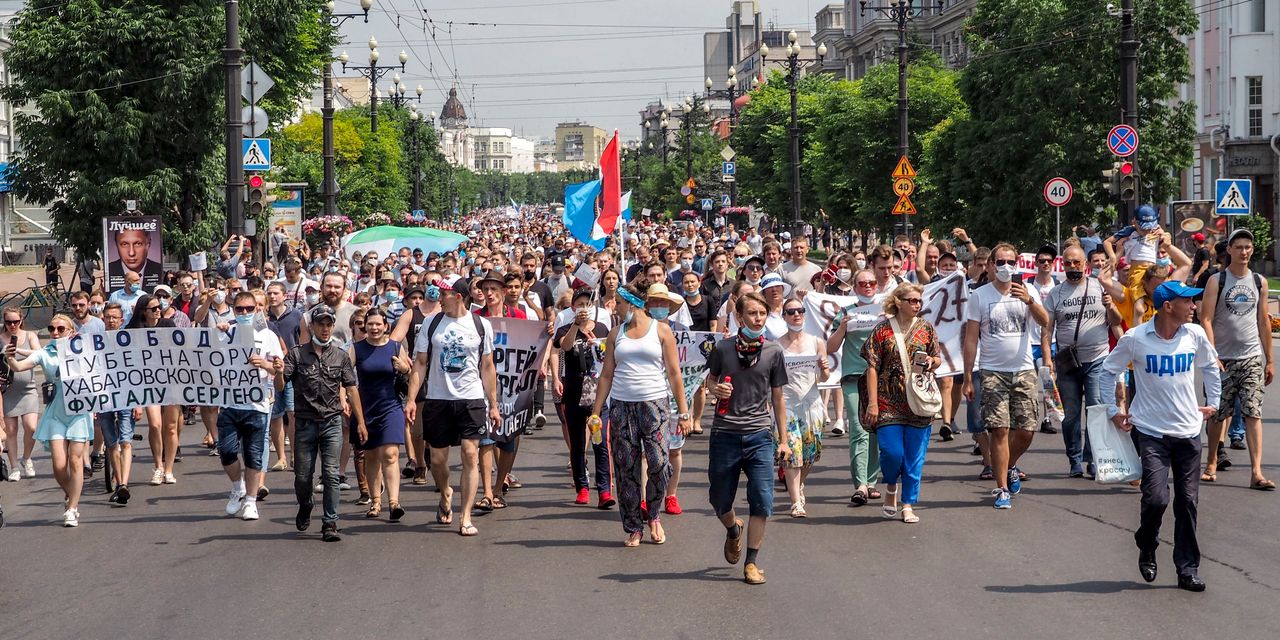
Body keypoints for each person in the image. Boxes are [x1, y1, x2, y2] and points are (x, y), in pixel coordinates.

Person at [1100, 281, 1221, 592]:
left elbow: (1210, 366)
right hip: (1151, 431)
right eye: (1188, 302)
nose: (1194, 307)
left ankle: (1187, 568)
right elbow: (1108, 370)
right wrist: (1112, 409)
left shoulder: (1194, 335)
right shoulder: (1136, 338)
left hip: (1188, 432)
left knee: (1188, 502)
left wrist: (1215, 403)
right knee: (1156, 499)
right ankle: (1147, 543)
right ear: (1169, 306)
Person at [589, 284, 691, 547]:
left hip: (654, 404)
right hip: (622, 406)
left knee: (658, 463)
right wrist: (596, 411)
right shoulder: (615, 334)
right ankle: (634, 526)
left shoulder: (661, 330)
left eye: (619, 304)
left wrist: (684, 411)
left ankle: (654, 513)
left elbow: (674, 373)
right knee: (626, 468)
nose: (615, 308)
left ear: (632, 304)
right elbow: (607, 375)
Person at [404, 275, 502, 538]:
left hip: (471, 399)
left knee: (471, 454)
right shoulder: (432, 323)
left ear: (458, 297)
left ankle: (465, 516)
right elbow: (420, 363)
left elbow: (488, 366)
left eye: (443, 294)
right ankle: (445, 490)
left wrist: (493, 404)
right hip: (438, 399)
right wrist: (411, 399)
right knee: (437, 459)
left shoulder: (481, 325)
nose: (438, 298)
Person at [704, 292, 788, 584]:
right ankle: (732, 529)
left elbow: (778, 397)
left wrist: (784, 439)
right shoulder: (724, 349)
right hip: (725, 433)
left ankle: (751, 563)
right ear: (739, 317)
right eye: (752, 314)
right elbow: (710, 380)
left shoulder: (774, 351)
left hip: (759, 434)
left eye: (762, 314)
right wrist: (715, 390)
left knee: (762, 501)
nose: (758, 319)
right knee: (718, 500)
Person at [961, 243, 1049, 509]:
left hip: (1023, 369)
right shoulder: (979, 295)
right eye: (1000, 262)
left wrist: (1029, 301)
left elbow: (1045, 321)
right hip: (992, 371)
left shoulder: (1028, 290)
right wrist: (967, 376)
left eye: (1011, 261)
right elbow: (971, 338)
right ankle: (1001, 489)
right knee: (999, 430)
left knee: (1026, 429)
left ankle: (1009, 464)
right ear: (990, 265)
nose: (1006, 267)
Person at [1199, 228, 1274, 490]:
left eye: (1247, 247)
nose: (1244, 252)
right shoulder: (1216, 281)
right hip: (1223, 359)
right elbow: (1205, 319)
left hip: (1251, 357)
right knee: (1218, 414)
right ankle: (1210, 462)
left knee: (1253, 413)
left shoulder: (1259, 282)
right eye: (1239, 247)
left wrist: (1270, 359)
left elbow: (1263, 320)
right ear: (1228, 250)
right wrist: (1212, 355)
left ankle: (1256, 472)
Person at [283, 303, 365, 542]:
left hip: (331, 422)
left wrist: (360, 422)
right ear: (313, 326)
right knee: (303, 476)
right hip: (305, 424)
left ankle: (330, 522)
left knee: (330, 475)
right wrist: (276, 370)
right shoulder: (297, 354)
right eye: (321, 324)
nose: (326, 329)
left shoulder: (340, 356)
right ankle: (306, 504)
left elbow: (351, 388)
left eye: (329, 324)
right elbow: (281, 384)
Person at [861, 284, 940, 524]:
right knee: (892, 452)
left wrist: (930, 361)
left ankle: (907, 504)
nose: (917, 304)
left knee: (914, 457)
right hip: (888, 402)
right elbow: (872, 367)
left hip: (918, 402)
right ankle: (891, 485)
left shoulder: (926, 328)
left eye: (919, 301)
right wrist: (872, 404)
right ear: (898, 302)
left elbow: (937, 358)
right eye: (912, 300)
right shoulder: (882, 331)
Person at [1043, 245, 1122, 477]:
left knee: (1096, 411)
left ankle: (1093, 458)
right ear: (1063, 265)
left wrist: (1110, 305)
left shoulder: (1099, 287)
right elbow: (1047, 330)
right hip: (1068, 362)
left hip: (1097, 358)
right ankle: (1074, 459)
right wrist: (1047, 358)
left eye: (1077, 263)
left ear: (1085, 265)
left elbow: (1116, 321)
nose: (1073, 267)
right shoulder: (1056, 294)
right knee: (1071, 415)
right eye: (1068, 263)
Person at [5, 315, 92, 526]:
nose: (55, 332)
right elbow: (18, 367)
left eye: (60, 329)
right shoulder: (46, 353)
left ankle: (72, 508)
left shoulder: (86, 350)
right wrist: (10, 358)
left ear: (70, 331)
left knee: (75, 460)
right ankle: (71, 494)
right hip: (56, 413)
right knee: (59, 466)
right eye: (52, 328)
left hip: (79, 412)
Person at [217, 292, 285, 521]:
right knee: (226, 452)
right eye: (239, 309)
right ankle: (238, 487)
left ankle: (251, 501)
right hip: (229, 403)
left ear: (256, 309)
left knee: (254, 455)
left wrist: (265, 364)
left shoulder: (268, 336)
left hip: (257, 405)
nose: (244, 313)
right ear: (233, 310)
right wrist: (217, 334)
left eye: (249, 308)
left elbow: (278, 374)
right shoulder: (225, 333)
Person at [555, 287, 615, 508]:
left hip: (598, 395)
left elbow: (610, 353)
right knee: (578, 444)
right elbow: (565, 346)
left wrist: (597, 343)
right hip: (573, 394)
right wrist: (575, 326)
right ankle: (581, 486)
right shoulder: (564, 328)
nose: (583, 309)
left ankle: (605, 490)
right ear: (572, 308)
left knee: (601, 444)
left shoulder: (601, 328)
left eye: (587, 305)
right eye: (579, 305)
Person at [351, 309, 411, 521]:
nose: (374, 328)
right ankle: (376, 501)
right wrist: (344, 400)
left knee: (390, 454)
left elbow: (410, 373)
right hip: (366, 407)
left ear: (386, 326)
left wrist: (404, 368)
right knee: (371, 455)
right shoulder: (356, 349)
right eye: (370, 325)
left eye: (378, 324)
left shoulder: (395, 346)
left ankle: (394, 503)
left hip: (391, 406)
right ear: (364, 327)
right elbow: (346, 379)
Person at [776, 296, 831, 517]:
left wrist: (824, 367)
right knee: (792, 454)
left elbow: (825, 378)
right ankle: (796, 502)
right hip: (787, 404)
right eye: (790, 311)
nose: (796, 314)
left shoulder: (816, 341)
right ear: (784, 316)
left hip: (812, 403)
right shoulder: (777, 345)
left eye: (799, 310)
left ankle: (799, 486)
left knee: (809, 455)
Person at [96, 303, 134, 503]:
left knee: (125, 441)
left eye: (114, 317)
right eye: (108, 317)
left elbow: (139, 372)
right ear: (103, 319)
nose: (111, 320)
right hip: (103, 398)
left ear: (121, 320)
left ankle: (123, 484)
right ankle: (119, 483)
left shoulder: (129, 342)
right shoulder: (94, 342)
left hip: (126, 397)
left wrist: (139, 402)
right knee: (111, 443)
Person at [2, 307, 42, 481]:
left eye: (15, 321)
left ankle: (26, 458)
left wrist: (18, 350)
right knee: (11, 430)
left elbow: (39, 353)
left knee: (31, 427)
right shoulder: (1, 339)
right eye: (9, 322)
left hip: (28, 389)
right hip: (8, 391)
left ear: (21, 320)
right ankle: (14, 467)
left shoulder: (30, 335)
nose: (12, 325)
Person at [106, 225, 163, 290]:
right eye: (124, 244)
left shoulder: (159, 271)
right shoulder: (108, 270)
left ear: (148, 244)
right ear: (116, 244)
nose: (131, 253)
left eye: (138, 244)